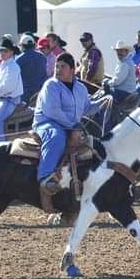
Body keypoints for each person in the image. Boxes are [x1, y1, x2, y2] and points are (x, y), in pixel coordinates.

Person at [34, 52, 102, 193]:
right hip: (47, 123)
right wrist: (72, 125)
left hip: (71, 126)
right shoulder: (51, 85)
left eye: (62, 66)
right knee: (56, 136)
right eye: (56, 66)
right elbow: (52, 111)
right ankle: (46, 177)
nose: (58, 70)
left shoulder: (81, 88)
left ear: (72, 69)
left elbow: (86, 108)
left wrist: (103, 103)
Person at [16, 34, 47, 102]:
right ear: (34, 45)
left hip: (25, 93)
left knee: (23, 112)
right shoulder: (42, 56)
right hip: (40, 92)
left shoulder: (18, 59)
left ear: (22, 46)